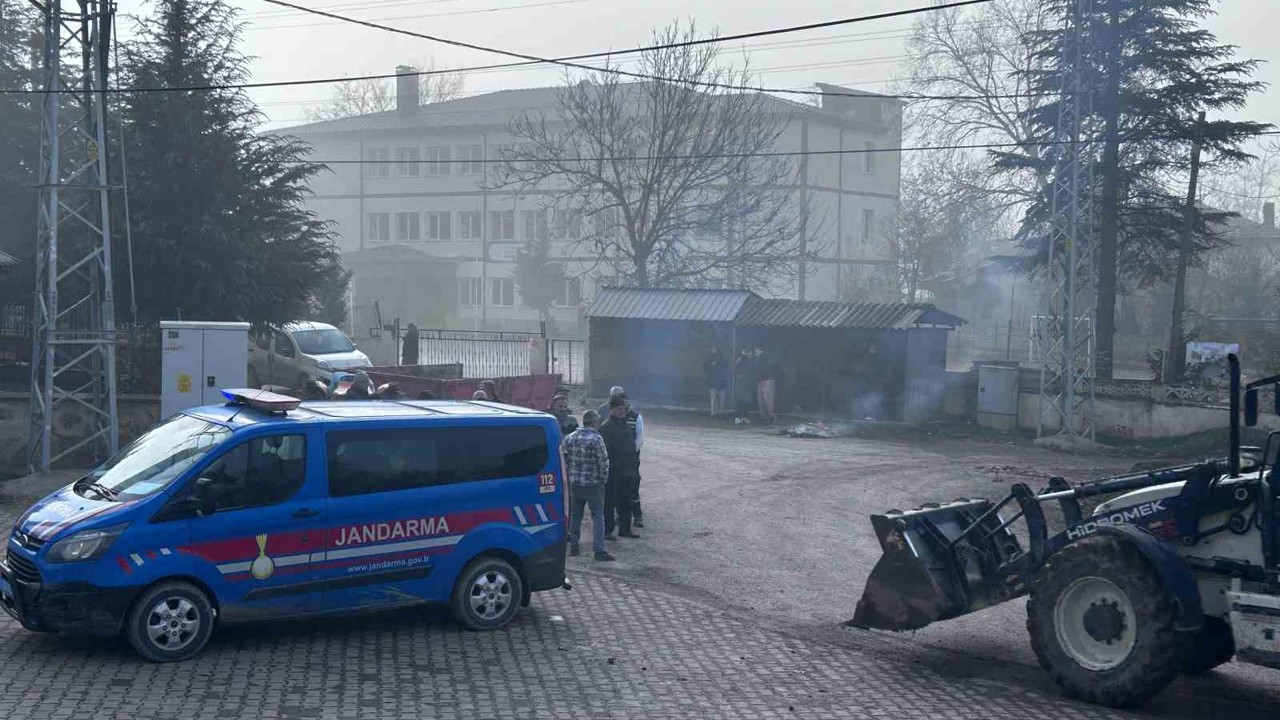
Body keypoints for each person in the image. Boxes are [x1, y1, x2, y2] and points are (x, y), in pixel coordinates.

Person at [562, 410, 615, 561]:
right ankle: (599, 550)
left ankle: (574, 546)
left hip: (576, 483)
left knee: (576, 515)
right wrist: (603, 479)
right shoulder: (596, 439)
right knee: (598, 516)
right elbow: (603, 462)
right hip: (593, 483)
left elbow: (564, 458)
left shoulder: (570, 438)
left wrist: (570, 475)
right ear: (594, 422)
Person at [597, 386, 646, 527]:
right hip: (614, 462)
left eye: (623, 405)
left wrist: (629, 453)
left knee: (632, 488)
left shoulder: (635, 417)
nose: (622, 409)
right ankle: (617, 520)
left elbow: (639, 438)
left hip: (630, 460)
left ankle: (637, 515)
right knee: (615, 492)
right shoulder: (605, 414)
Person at [755, 348, 780, 423]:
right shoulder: (758, 360)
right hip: (761, 380)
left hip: (767, 380)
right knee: (761, 400)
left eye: (757, 351)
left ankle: (771, 416)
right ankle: (763, 416)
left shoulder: (766, 358)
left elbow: (766, 368)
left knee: (767, 398)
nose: (756, 353)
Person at [703, 346, 728, 417]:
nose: (714, 350)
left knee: (718, 399)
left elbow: (705, 368)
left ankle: (717, 412)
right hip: (716, 382)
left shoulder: (721, 358)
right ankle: (716, 413)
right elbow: (705, 367)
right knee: (716, 399)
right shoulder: (710, 358)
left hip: (719, 382)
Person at [734, 349, 756, 423]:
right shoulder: (742, 359)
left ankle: (744, 417)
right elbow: (738, 370)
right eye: (750, 353)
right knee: (741, 401)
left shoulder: (747, 360)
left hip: (746, 384)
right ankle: (738, 417)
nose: (751, 354)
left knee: (745, 401)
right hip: (742, 384)